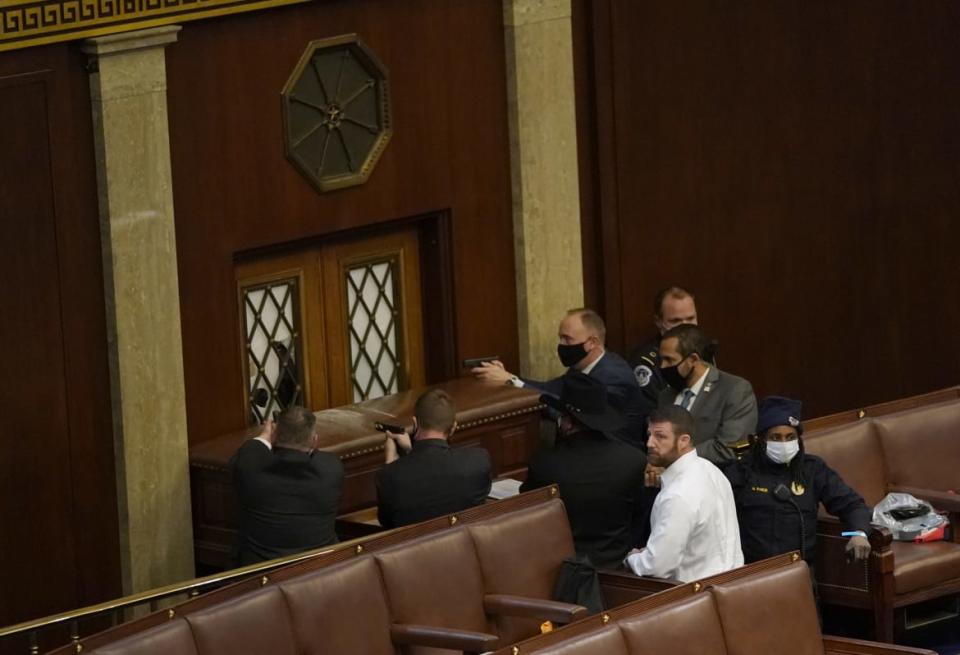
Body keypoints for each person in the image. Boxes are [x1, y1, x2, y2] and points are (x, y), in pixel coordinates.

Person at [723, 396, 871, 565]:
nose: (784, 443)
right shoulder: (741, 472)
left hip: (800, 570)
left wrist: (859, 533)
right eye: (776, 438)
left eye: (790, 437)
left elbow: (852, 505)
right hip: (754, 570)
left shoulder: (812, 469)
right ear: (761, 440)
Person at [520, 373, 647, 568]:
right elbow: (640, 516)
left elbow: (528, 515)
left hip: (561, 569)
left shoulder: (544, 464)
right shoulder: (633, 460)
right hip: (616, 567)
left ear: (568, 422)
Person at [472, 308, 647, 448]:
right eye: (560, 338)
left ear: (592, 343)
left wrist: (512, 382)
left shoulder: (614, 377)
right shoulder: (580, 367)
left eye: (567, 339)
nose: (561, 346)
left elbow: (575, 412)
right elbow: (550, 389)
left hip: (616, 456)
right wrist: (509, 379)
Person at [624, 405, 742, 582]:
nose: (649, 443)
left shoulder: (677, 494)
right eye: (649, 435)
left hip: (694, 597)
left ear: (684, 441)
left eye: (660, 436)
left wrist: (633, 558)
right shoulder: (712, 470)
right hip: (730, 585)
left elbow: (657, 567)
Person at [230, 405, 344, 565]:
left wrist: (265, 435)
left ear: (275, 435)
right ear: (314, 440)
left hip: (260, 574)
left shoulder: (250, 467)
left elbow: (251, 450)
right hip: (318, 570)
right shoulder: (331, 469)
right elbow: (320, 456)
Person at [376, 388, 491, 528]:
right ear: (453, 427)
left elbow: (387, 523)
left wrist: (391, 464)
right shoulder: (478, 461)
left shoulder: (390, 475)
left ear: (415, 423)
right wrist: (409, 451)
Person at [656, 324, 757, 464]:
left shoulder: (735, 390)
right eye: (661, 360)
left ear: (693, 360)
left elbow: (729, 448)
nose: (663, 367)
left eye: (669, 360)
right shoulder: (665, 396)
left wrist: (676, 460)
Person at [627, 286, 701, 403]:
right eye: (676, 321)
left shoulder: (703, 350)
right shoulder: (647, 362)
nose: (685, 327)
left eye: (690, 318)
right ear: (659, 322)